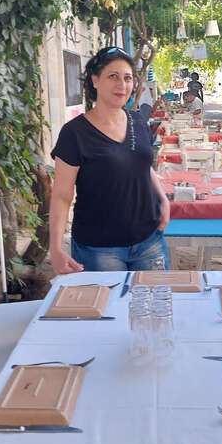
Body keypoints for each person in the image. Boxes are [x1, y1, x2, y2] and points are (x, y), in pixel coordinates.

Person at [49, 46, 170, 274]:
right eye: (113, 76)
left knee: (155, 297)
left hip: (149, 240)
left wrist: (162, 198)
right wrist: (55, 248)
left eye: (127, 78)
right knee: (107, 299)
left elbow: (141, 165)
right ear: (95, 80)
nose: (121, 85)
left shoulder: (137, 120)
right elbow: (62, 195)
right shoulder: (74, 133)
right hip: (99, 248)